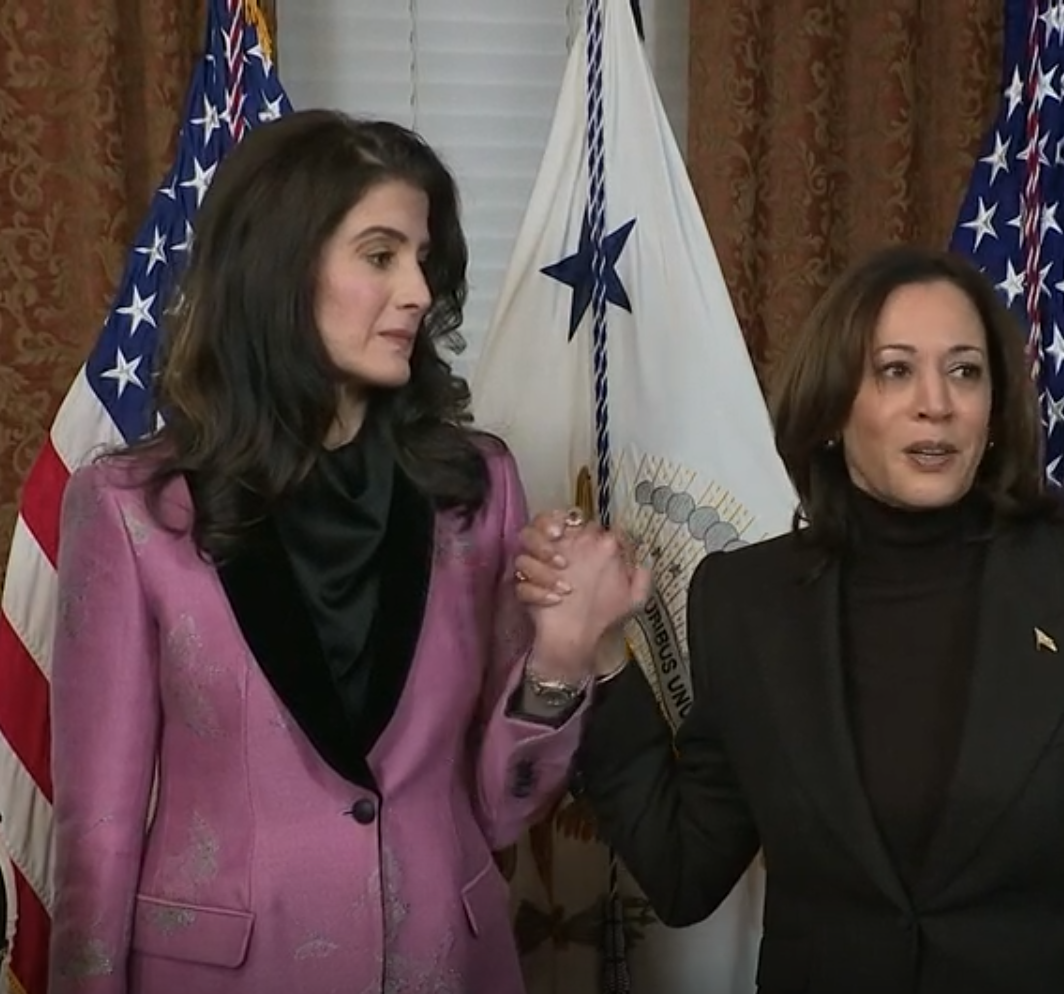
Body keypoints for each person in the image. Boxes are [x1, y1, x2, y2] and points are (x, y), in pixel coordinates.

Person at [49, 109, 644, 994]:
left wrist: (560, 656)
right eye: (380, 255)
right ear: (280, 269)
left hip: (444, 965)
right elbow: (96, 834)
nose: (418, 291)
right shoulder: (129, 508)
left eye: (422, 260)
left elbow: (496, 810)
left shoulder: (474, 487)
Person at [516, 245, 1064, 993]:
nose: (936, 403)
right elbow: (686, 870)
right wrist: (601, 654)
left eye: (964, 371)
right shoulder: (746, 600)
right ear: (830, 408)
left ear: (993, 408)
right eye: (894, 370)